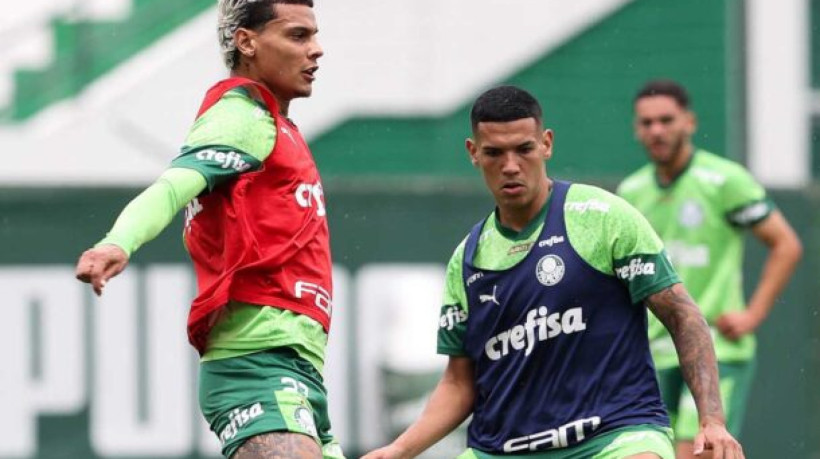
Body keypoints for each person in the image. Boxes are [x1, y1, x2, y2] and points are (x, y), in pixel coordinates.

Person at [362, 85, 744, 459]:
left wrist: (712, 420)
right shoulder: (468, 258)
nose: (510, 166)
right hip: (502, 448)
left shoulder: (604, 217)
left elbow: (682, 315)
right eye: (494, 153)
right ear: (473, 153)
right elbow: (459, 381)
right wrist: (398, 450)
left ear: (546, 143)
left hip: (614, 437)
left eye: (523, 149)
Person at [74, 1, 345, 458]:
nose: (316, 51)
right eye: (298, 36)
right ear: (247, 42)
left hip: (299, 370)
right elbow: (172, 186)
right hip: (255, 367)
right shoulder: (242, 117)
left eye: (314, 35)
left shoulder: (280, 127)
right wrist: (116, 242)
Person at [617, 79, 802, 459]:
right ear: (636, 129)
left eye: (666, 120)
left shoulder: (724, 180)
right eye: (646, 123)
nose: (657, 130)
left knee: (697, 451)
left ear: (689, 122)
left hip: (714, 345)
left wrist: (752, 314)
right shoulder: (632, 192)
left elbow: (786, 244)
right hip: (652, 351)